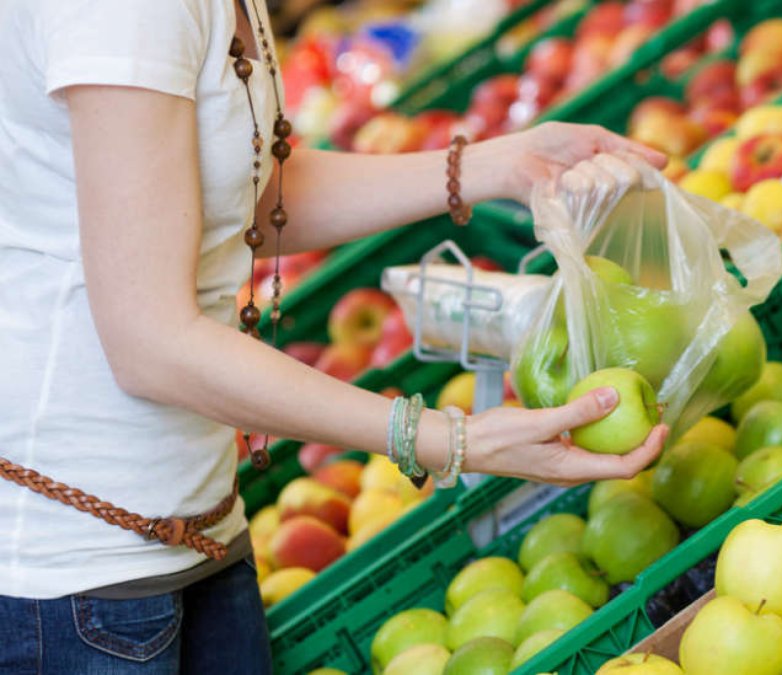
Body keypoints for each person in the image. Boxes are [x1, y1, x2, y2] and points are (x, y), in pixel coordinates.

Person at [0, 0, 670, 672]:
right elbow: (151, 344)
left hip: (196, 523)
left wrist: (500, 165)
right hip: (79, 573)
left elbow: (246, 189)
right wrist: (445, 438)